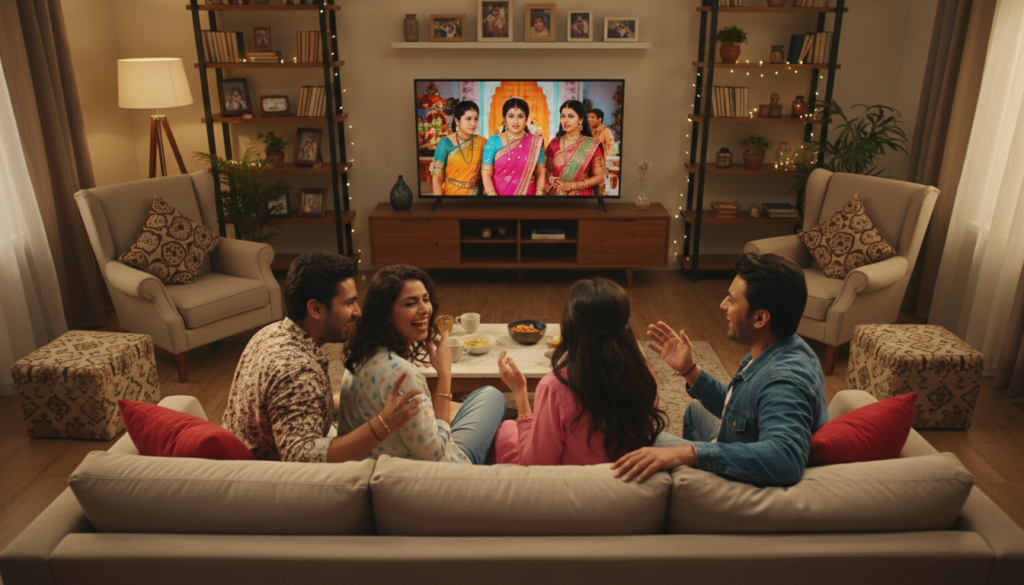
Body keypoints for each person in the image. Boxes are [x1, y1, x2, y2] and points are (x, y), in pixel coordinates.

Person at [612, 253, 829, 487]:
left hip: (741, 486)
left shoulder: (782, 382)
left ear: (760, 318)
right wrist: (689, 370)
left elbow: (785, 459)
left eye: (732, 300)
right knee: (696, 410)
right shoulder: (787, 346)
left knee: (641, 440)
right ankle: (689, 484)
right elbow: (740, 408)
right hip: (739, 445)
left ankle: (700, 488)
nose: (722, 305)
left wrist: (689, 454)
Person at [222, 253, 423, 462]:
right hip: (268, 476)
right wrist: (385, 423)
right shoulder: (296, 371)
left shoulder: (271, 332)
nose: (358, 312)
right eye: (349, 303)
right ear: (316, 309)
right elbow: (303, 458)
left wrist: (360, 396)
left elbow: (301, 405)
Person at [341, 264, 507, 464]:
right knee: (493, 396)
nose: (425, 309)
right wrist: (444, 374)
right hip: (439, 472)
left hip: (379, 459)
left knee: (483, 397)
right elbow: (436, 452)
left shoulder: (358, 357)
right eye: (411, 303)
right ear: (386, 313)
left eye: (426, 299)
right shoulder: (403, 376)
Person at [492, 278, 665, 465]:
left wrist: (520, 394)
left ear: (569, 327)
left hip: (574, 481)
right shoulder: (644, 375)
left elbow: (535, 465)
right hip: (626, 475)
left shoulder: (554, 387)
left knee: (506, 429)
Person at [481, 97, 547, 196]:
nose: (515, 121)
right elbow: (486, 172)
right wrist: (492, 195)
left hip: (529, 198)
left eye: (520, 116)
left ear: (526, 119)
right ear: (504, 119)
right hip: (498, 198)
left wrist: (539, 191)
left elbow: (540, 170)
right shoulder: (493, 142)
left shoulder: (536, 142)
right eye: (511, 116)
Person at [545, 100, 605, 196]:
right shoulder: (554, 143)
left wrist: (572, 185)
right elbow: (547, 171)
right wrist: (551, 179)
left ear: (581, 120)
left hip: (581, 197)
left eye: (571, 116)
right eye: (562, 116)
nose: (565, 120)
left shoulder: (591, 145)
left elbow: (599, 177)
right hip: (556, 196)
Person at [430, 100, 486, 196]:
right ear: (457, 121)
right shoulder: (445, 143)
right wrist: (438, 200)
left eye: (476, 119)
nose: (473, 123)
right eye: (468, 119)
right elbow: (437, 178)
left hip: (477, 197)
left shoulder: (483, 142)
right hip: (451, 196)